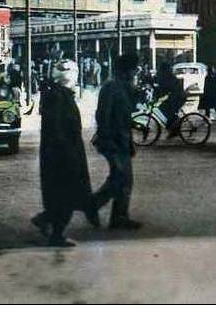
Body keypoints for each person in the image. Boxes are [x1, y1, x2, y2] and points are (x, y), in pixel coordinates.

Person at [32, 60, 99, 247]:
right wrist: (69, 154)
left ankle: (46, 220)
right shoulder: (60, 97)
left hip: (58, 153)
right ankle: (56, 233)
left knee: (61, 195)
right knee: (66, 195)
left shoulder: (56, 95)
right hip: (64, 154)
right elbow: (59, 129)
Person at [90, 52, 142, 230]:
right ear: (125, 70)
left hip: (122, 140)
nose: (135, 73)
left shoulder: (125, 87)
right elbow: (102, 115)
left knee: (124, 179)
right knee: (121, 178)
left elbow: (126, 115)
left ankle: (118, 216)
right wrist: (107, 138)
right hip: (112, 140)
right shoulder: (111, 87)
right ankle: (94, 206)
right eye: (133, 70)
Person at [156, 63, 187, 138]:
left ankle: (174, 127)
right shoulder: (169, 76)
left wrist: (158, 95)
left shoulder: (166, 77)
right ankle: (173, 128)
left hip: (177, 97)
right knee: (167, 111)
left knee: (167, 110)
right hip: (177, 96)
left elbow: (165, 88)